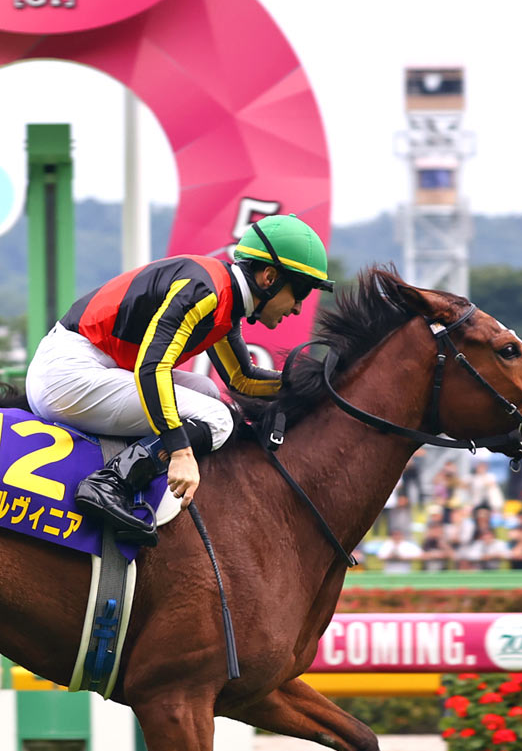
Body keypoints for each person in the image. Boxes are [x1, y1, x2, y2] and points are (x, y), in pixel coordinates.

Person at [25, 214, 333, 544]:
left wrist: (318, 385)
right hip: (66, 375)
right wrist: (181, 452)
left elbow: (242, 380)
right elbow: (151, 368)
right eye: (300, 291)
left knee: (207, 391)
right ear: (269, 277)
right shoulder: (206, 290)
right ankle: (112, 482)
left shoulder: (224, 298)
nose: (299, 308)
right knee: (217, 419)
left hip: (91, 367)